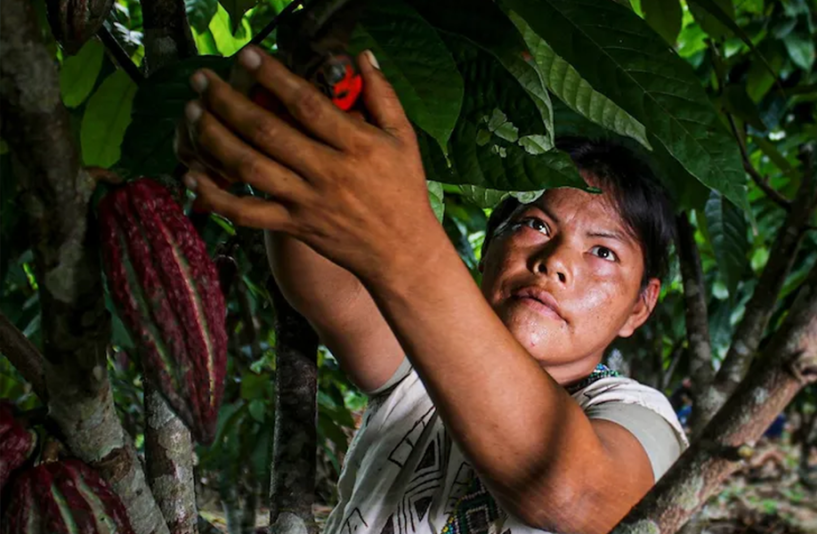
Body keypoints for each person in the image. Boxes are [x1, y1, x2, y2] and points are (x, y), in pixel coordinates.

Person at [175, 46, 687, 534]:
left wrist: (404, 242)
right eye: (535, 225)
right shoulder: (422, 368)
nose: (554, 262)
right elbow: (325, 284)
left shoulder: (640, 417)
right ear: (489, 250)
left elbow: (575, 494)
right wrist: (286, 142)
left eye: (603, 252)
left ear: (640, 306)